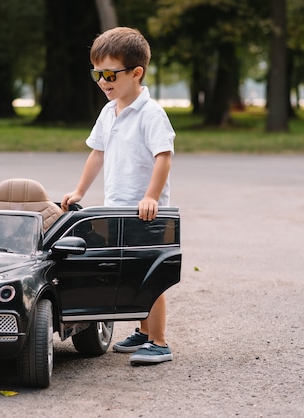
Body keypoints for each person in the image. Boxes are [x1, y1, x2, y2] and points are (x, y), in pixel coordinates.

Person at [61, 27, 175, 365]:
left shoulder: (150, 113)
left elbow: (163, 156)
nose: (102, 81)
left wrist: (151, 196)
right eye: (96, 73)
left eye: (109, 74)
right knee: (129, 274)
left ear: (136, 73)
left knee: (149, 275)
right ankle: (143, 332)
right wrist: (80, 190)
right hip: (117, 209)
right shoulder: (108, 111)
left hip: (145, 212)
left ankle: (159, 341)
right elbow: (97, 153)